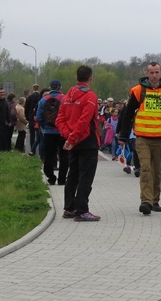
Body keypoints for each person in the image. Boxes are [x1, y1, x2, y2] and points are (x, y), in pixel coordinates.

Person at [118, 61, 161, 215]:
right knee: (145, 168)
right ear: (147, 73)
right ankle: (146, 201)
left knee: (157, 171)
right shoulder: (138, 91)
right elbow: (128, 113)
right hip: (142, 136)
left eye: (156, 72)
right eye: (151, 72)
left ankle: (155, 200)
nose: (154, 75)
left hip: (160, 137)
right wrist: (123, 135)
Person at [55, 65, 101, 222]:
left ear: (76, 78)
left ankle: (69, 208)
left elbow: (59, 119)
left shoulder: (66, 97)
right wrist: (73, 137)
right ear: (91, 78)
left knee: (72, 174)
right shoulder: (90, 97)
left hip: (72, 141)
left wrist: (68, 137)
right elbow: (84, 120)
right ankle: (81, 210)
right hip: (87, 140)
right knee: (85, 176)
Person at [36, 79, 68, 185]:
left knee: (49, 155)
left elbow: (39, 116)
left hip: (48, 132)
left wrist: (44, 126)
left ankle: (51, 177)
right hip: (62, 132)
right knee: (64, 155)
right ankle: (62, 179)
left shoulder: (43, 100)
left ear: (50, 88)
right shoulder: (65, 99)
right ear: (60, 87)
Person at [25, 84, 41, 153]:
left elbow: (26, 108)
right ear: (38, 88)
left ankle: (32, 150)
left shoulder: (29, 98)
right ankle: (40, 150)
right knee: (39, 135)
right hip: (38, 118)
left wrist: (27, 117)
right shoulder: (41, 97)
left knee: (32, 135)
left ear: (33, 88)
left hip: (31, 118)